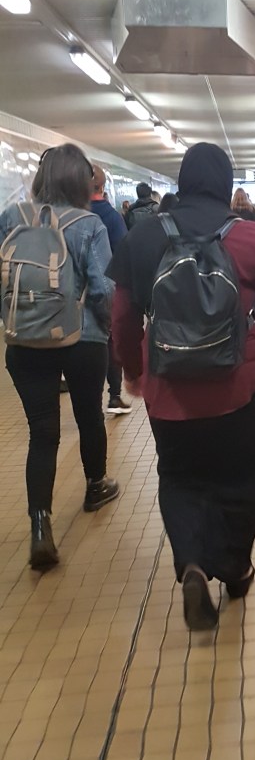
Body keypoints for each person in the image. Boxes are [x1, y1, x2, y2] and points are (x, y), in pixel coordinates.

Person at [109, 143, 255, 631]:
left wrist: (133, 369)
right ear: (226, 185)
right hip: (239, 387)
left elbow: (121, 316)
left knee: (180, 475)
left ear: (182, 181)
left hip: (168, 386)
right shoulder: (253, 240)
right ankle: (235, 566)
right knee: (244, 476)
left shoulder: (142, 237)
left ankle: (193, 563)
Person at [0, 144, 120, 572]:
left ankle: (39, 524)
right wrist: (106, 331)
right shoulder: (89, 224)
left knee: (42, 432)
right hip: (82, 338)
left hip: (26, 342)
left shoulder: (12, 219)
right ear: (81, 182)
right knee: (90, 415)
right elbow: (104, 289)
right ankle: (95, 485)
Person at [90, 164, 131, 415]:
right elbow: (124, 255)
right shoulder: (113, 217)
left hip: (73, 298)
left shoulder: (68, 216)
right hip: (108, 289)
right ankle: (114, 394)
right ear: (103, 187)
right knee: (110, 342)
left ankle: (87, 396)